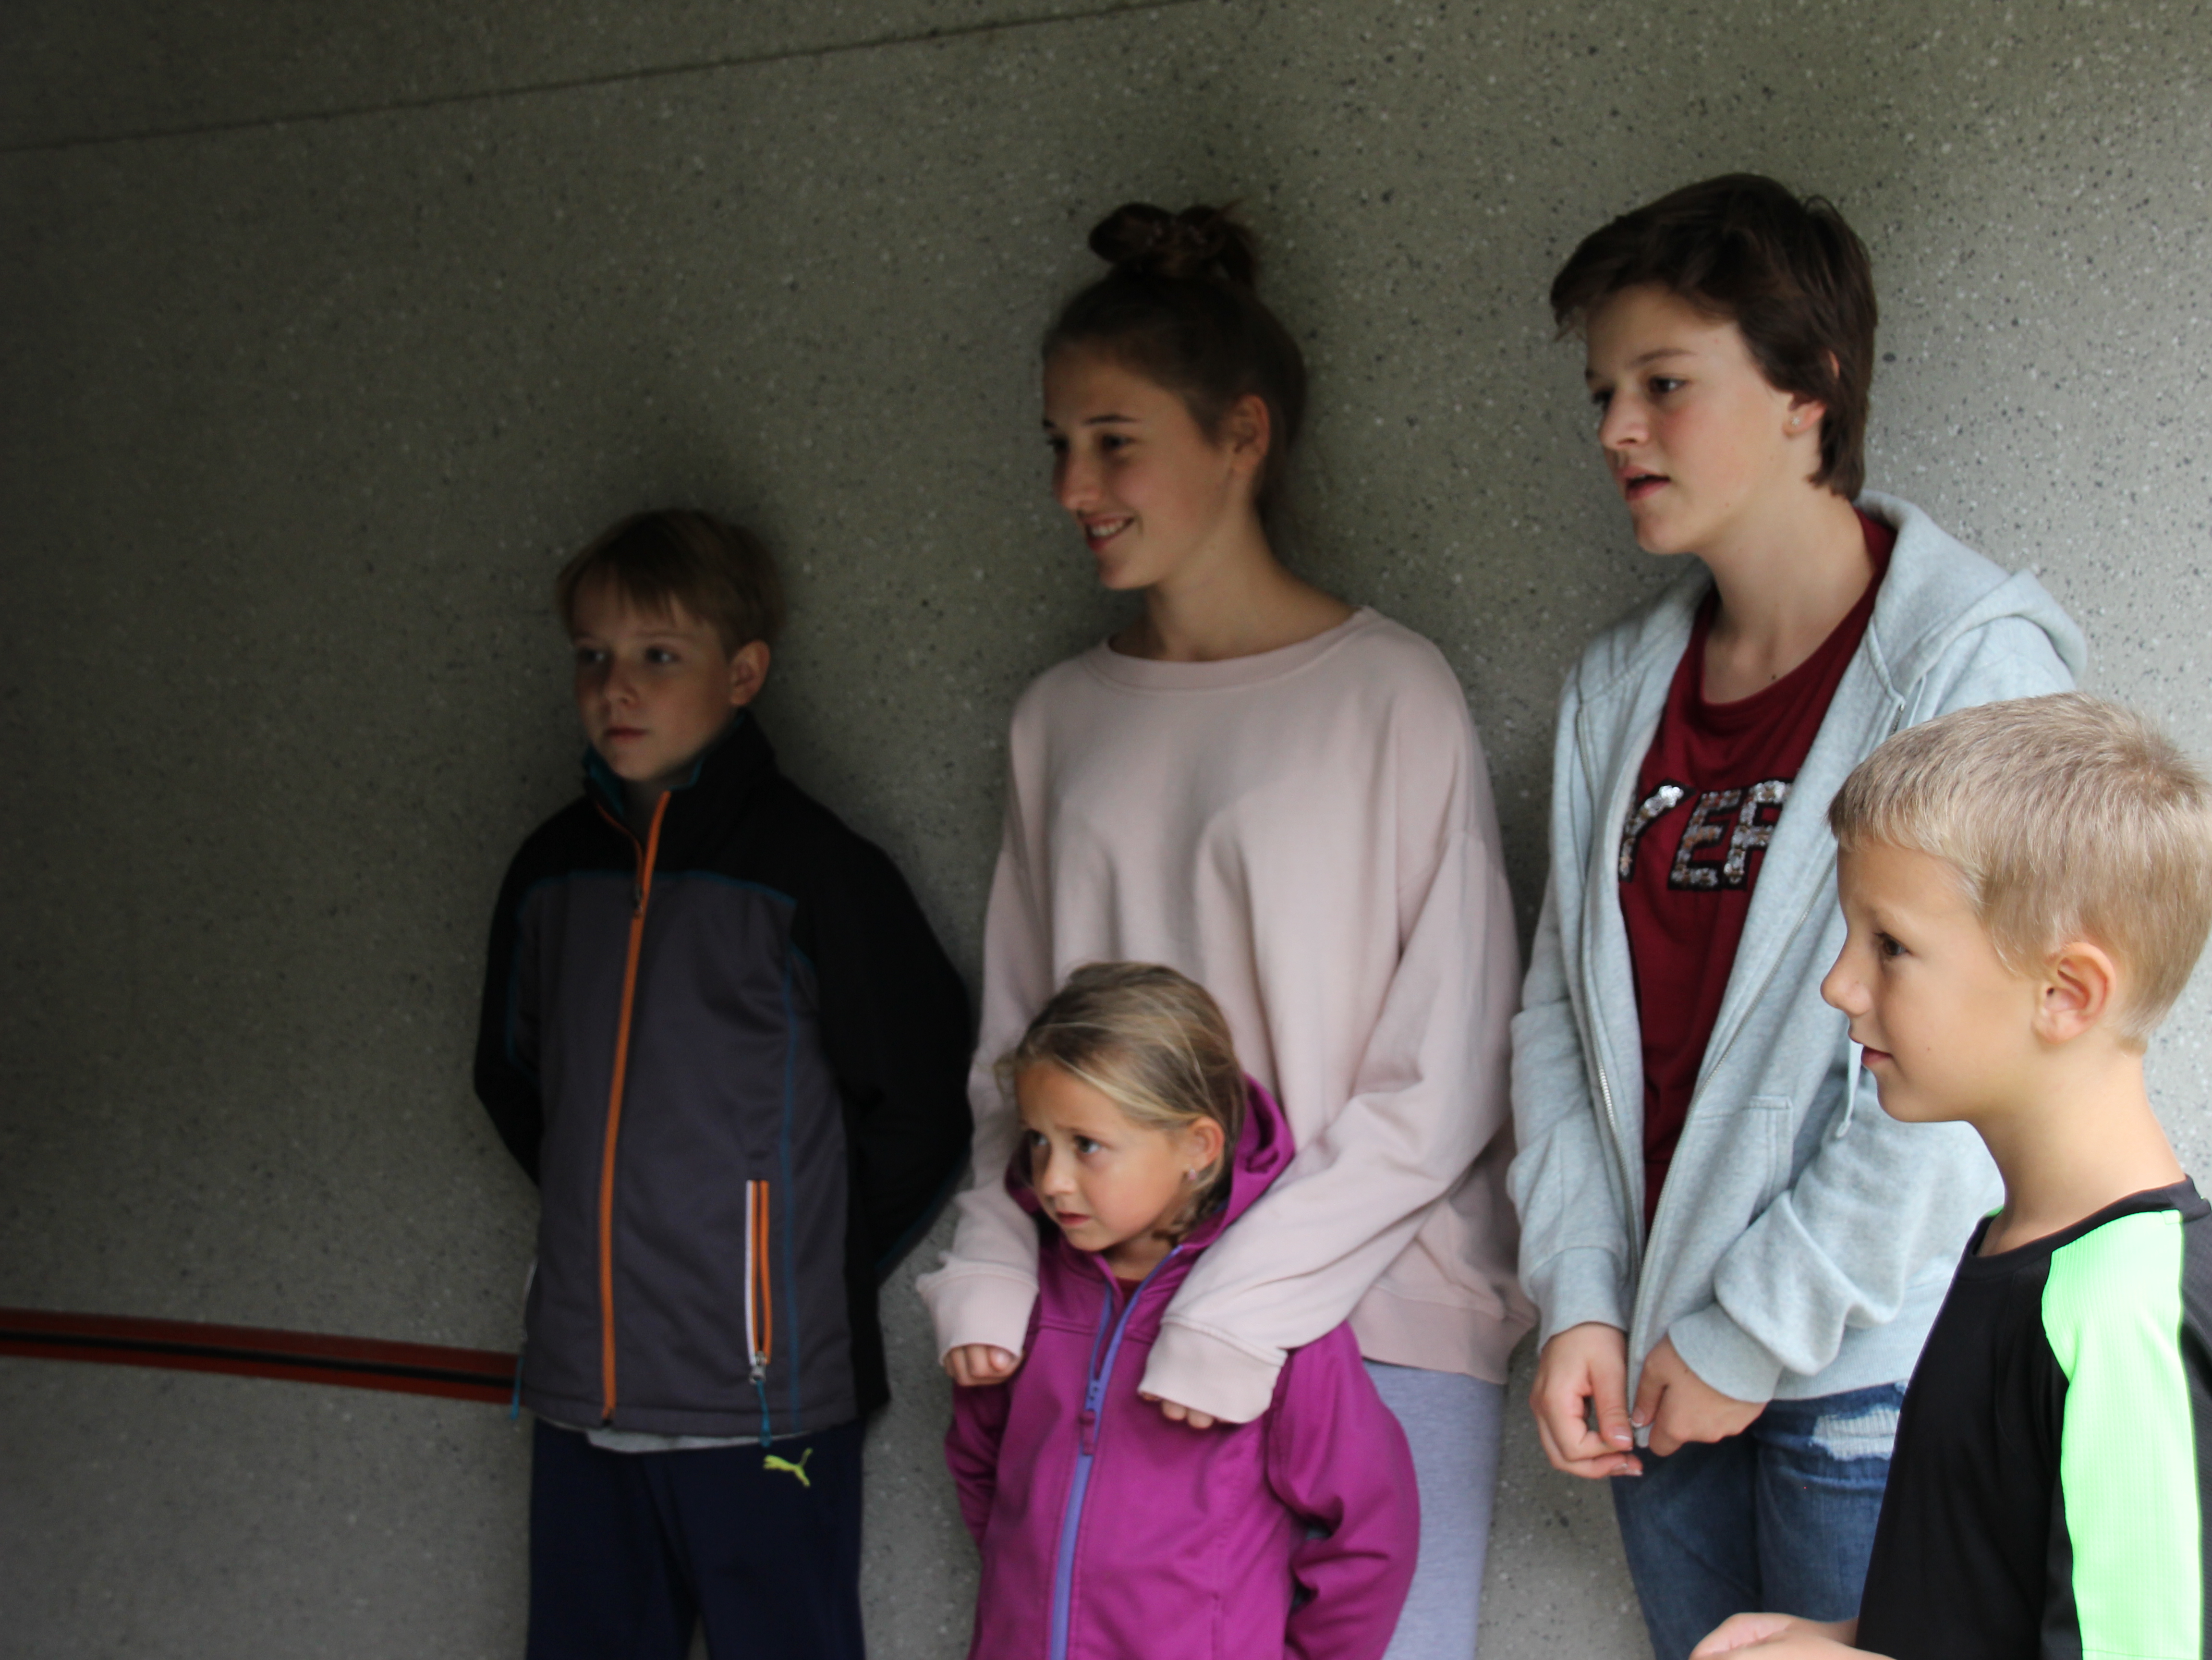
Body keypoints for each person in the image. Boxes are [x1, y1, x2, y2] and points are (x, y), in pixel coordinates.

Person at [916, 202, 1533, 1660]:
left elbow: (1446, 1068)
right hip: (1110, 1326)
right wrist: (994, 1263)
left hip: (1372, 1323)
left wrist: (1242, 1304)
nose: (1073, 486)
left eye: (1113, 441)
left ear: (1242, 435)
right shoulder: (1060, 719)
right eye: (1058, 444)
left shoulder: (1388, 694)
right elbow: (1015, 1060)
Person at [1507, 173, 2087, 1656]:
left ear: (1809, 389)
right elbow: (1563, 1019)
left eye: (1664, 385)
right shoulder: (1618, 690)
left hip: (1872, 1380)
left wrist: (1751, 1330)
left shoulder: (1965, 667)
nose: (1616, 430)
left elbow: (1984, 1058)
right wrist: (1581, 1296)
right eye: (1603, 394)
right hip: (1657, 1378)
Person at [1692, 692, 2212, 1659]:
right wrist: (1847, 1638)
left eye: (1891, 945)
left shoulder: (2122, 1317)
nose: (1840, 984)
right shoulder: (2027, 1255)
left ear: (2066, 993)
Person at [473, 508, 974, 1660]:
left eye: (659, 654)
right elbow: (512, 1079)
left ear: (743, 674)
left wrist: (792, 1260)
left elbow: (923, 1100)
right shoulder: (550, 873)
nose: (616, 687)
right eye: (592, 655)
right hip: (582, 1400)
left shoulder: (817, 873)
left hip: (766, 1406)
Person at [945, 962, 1420, 1659]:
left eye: (1087, 1145)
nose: (1052, 1179)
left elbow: (1374, 1530)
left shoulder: (1268, 1323)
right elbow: (981, 1468)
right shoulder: (1026, 1300)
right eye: (1038, 1139)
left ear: (1197, 1147)